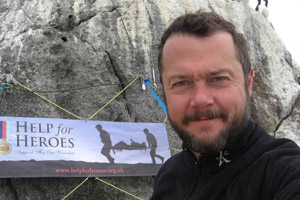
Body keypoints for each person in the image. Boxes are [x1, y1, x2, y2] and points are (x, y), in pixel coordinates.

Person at [150, 11, 300, 200]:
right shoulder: (169, 174)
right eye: (181, 83)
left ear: (249, 82)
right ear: (164, 89)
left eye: (219, 78)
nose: (201, 99)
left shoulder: (283, 173)